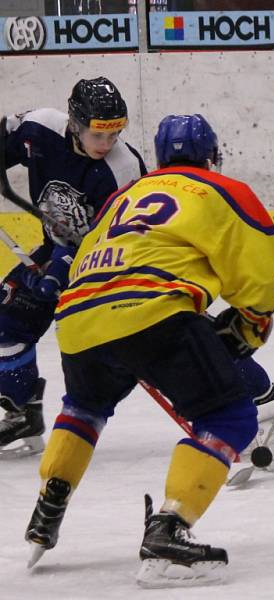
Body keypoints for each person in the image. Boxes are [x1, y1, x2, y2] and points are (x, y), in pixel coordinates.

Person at [23, 114, 274, 588]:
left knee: (84, 408)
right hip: (153, 312)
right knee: (229, 418)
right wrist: (251, 321)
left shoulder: (123, 197)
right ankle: (169, 529)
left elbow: (85, 257)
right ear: (212, 155)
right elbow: (260, 276)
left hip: (78, 317)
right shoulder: (220, 189)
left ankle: (49, 503)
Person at [0, 77, 146, 457]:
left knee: (158, 346)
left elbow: (120, 242)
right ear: (75, 123)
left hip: (116, 271)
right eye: (99, 134)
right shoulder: (39, 127)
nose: (107, 144)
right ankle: (21, 411)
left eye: (115, 134)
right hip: (57, 252)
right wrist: (57, 262)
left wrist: (63, 268)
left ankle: (250, 398)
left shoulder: (124, 168)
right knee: (6, 321)